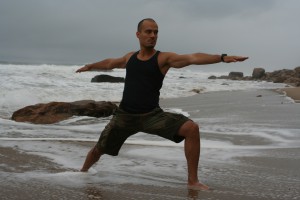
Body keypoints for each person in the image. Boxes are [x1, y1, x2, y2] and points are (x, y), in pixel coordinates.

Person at [76, 18, 248, 190]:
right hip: (124, 116)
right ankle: (81, 174)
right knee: (99, 149)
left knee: (191, 129)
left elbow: (192, 57)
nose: (153, 35)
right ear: (138, 34)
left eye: (156, 32)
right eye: (148, 31)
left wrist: (222, 58)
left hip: (152, 116)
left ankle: (193, 181)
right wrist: (90, 66)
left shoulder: (164, 58)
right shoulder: (130, 57)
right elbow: (110, 63)